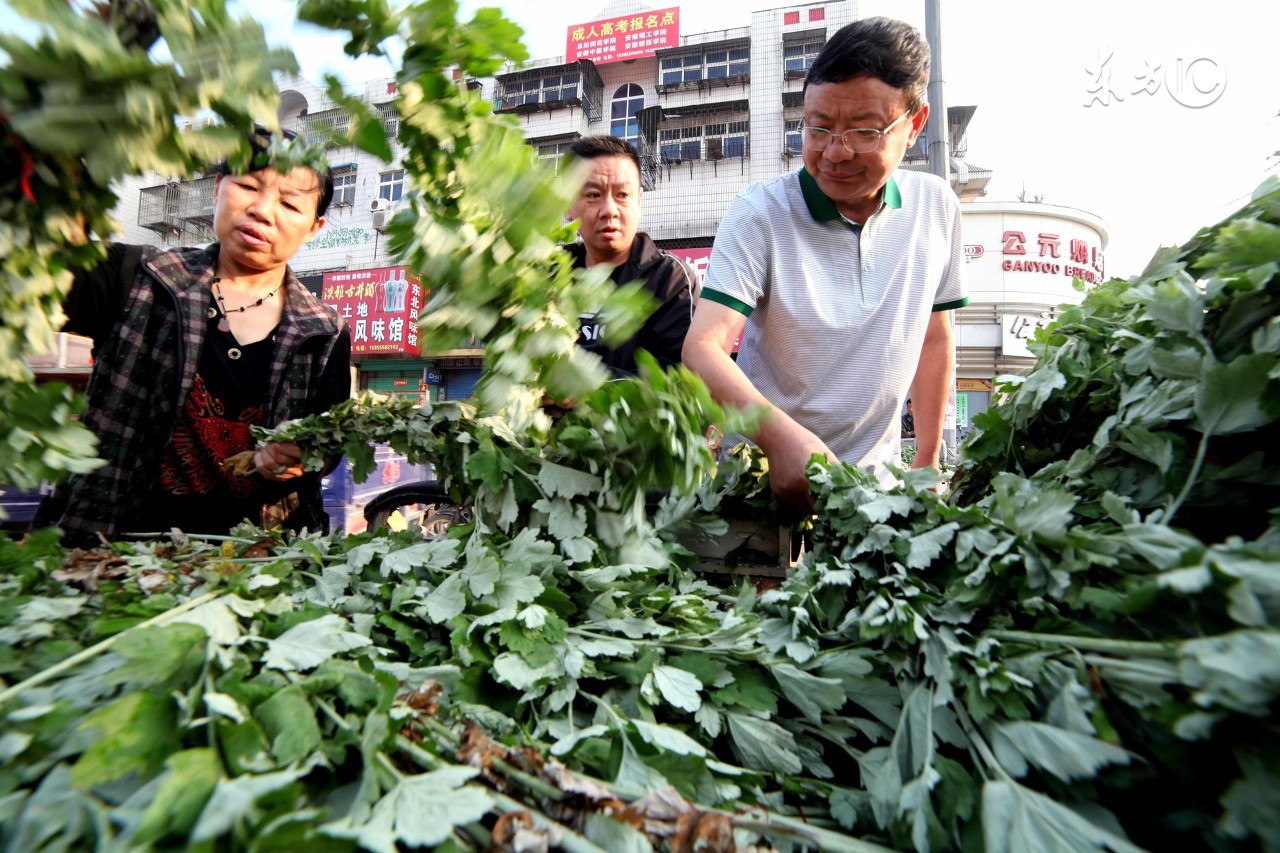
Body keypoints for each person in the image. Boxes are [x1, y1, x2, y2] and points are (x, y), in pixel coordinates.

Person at [681, 17, 967, 508]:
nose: (835, 152)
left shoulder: (936, 206)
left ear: (914, 124)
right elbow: (704, 347)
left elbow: (934, 337)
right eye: (818, 128)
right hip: (760, 481)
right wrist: (779, 439)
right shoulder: (761, 212)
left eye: (864, 131)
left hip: (874, 490)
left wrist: (927, 462)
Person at [35, 128, 352, 544]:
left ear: (314, 226)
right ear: (218, 188)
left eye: (290, 204)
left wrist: (298, 456)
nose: (262, 210)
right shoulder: (137, 277)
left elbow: (328, 443)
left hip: (258, 566)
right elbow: (29, 271)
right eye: (248, 186)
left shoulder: (324, 332)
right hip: (109, 550)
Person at [563, 135, 696, 376]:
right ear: (568, 206)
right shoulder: (550, 271)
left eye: (622, 195)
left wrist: (585, 389)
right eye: (593, 195)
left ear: (639, 201)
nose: (610, 211)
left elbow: (680, 378)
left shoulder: (670, 279)